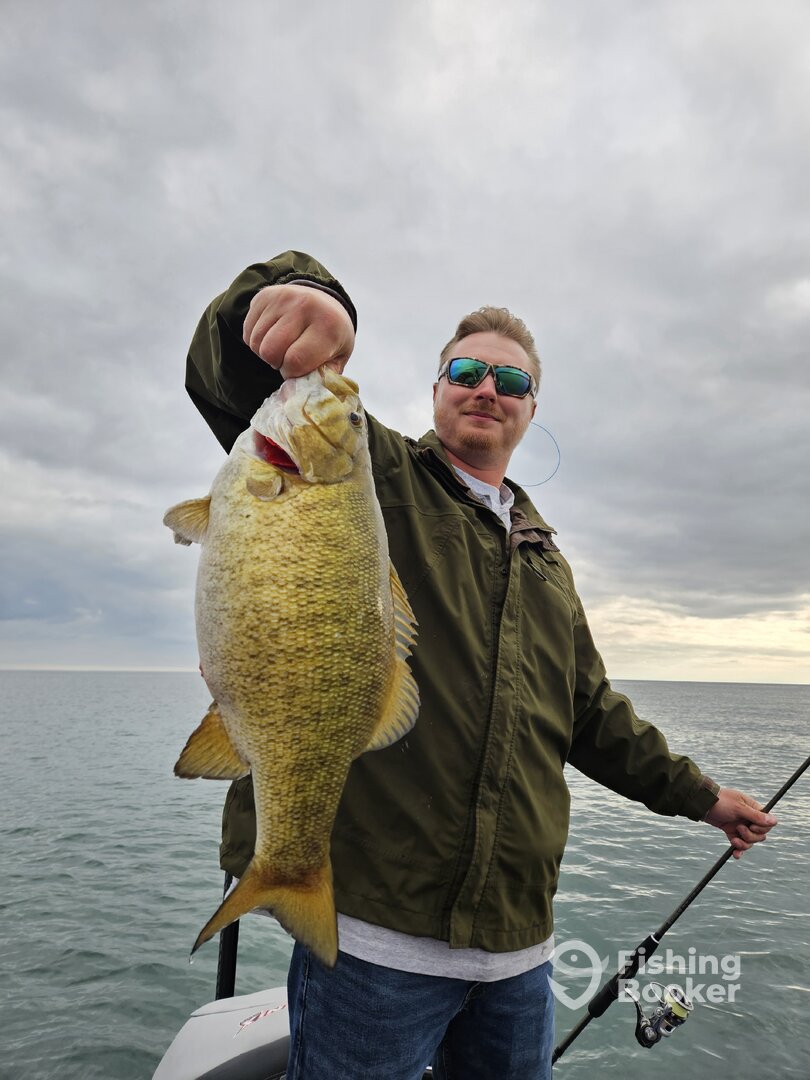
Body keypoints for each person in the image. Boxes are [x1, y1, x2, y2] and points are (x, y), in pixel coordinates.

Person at [184, 251, 777, 1080]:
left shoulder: (544, 560)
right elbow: (231, 379)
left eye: (511, 380)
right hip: (373, 946)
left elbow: (591, 714)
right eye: (466, 372)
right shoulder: (370, 471)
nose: (487, 389)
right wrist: (305, 299)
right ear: (436, 390)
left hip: (518, 954)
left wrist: (705, 799)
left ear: (532, 408)